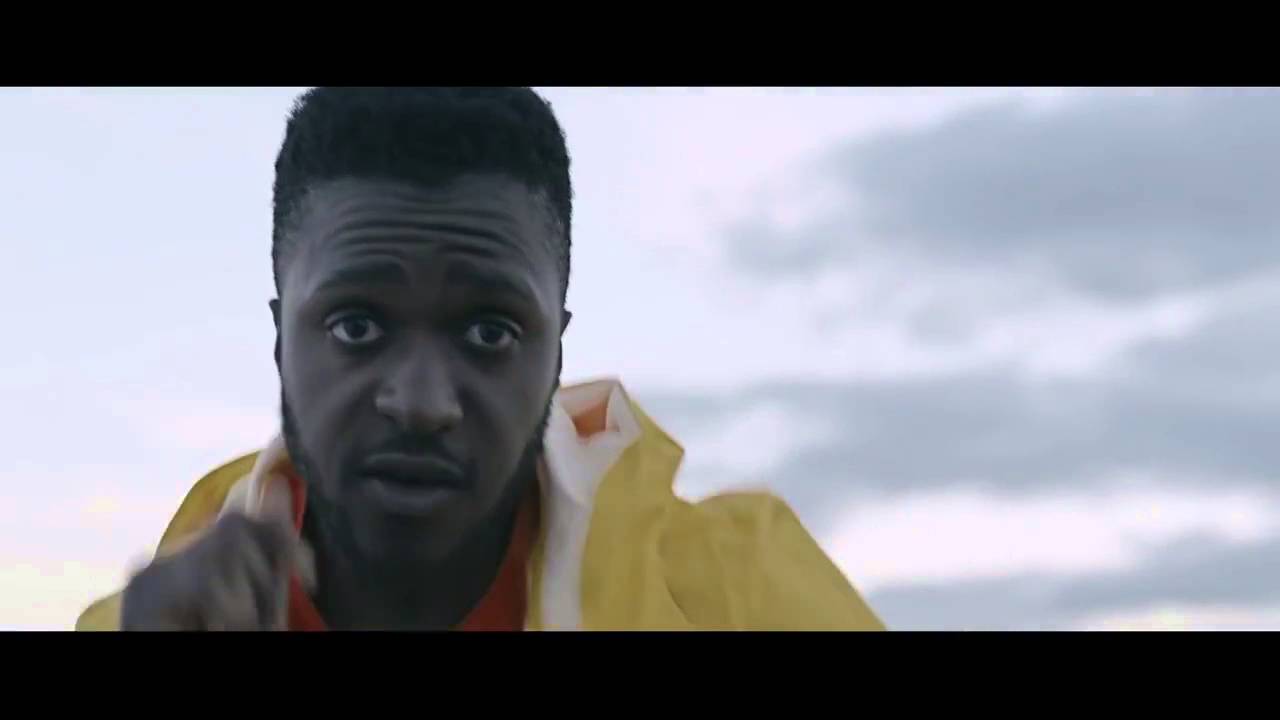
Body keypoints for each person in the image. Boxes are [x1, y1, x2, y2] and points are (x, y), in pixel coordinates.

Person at [75, 87, 885, 631]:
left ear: (557, 350)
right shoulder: (146, 628)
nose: (422, 402)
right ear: (282, 337)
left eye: (489, 332)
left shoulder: (739, 596)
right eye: (357, 326)